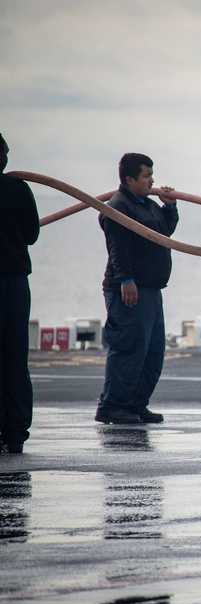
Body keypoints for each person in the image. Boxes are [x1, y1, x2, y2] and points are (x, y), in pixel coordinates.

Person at [95, 153, 178, 425]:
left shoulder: (149, 205)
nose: (152, 180)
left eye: (151, 174)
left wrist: (169, 207)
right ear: (130, 180)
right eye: (146, 175)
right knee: (129, 349)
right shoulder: (116, 207)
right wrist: (125, 280)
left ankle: (135, 404)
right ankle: (112, 406)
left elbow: (164, 232)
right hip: (130, 290)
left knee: (153, 352)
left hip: (152, 290)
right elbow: (118, 249)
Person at [0, 133, 40, 454]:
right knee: (15, 358)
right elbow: (31, 234)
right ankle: (15, 433)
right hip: (14, 282)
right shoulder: (18, 189)